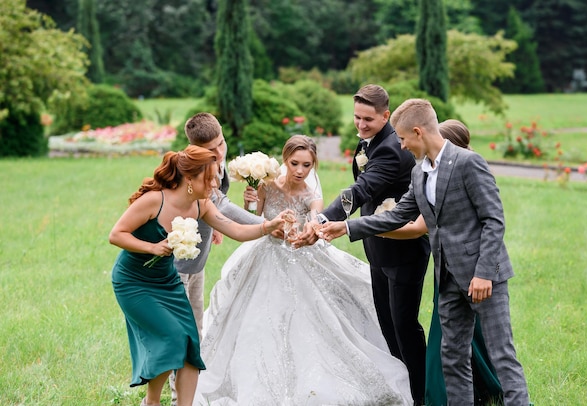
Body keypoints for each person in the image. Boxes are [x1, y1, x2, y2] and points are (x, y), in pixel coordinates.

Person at [319, 99, 530, 405]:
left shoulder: (468, 163)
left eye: (403, 139)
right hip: (447, 279)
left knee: (502, 355)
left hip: (484, 278)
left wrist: (484, 273)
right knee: (452, 358)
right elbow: (397, 215)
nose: (401, 146)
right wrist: (347, 227)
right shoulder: (420, 173)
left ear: (418, 132)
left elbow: (494, 221)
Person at [193, 135, 413, 405]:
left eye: (307, 165)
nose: (300, 171)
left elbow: (313, 225)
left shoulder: (311, 195)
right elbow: (255, 216)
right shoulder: (267, 186)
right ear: (285, 160)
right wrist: (252, 198)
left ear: (314, 165)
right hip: (266, 254)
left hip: (299, 253)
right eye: (295, 163)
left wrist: (299, 231)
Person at [109, 145, 286, 406]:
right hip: (134, 281)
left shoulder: (201, 204)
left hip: (166, 281)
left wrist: (267, 227)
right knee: (172, 337)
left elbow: (234, 229)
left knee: (191, 343)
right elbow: (116, 234)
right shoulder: (155, 200)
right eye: (210, 177)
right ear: (190, 179)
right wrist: (152, 247)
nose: (215, 183)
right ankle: (152, 402)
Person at [303, 84, 431, 404]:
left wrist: (322, 220)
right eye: (357, 118)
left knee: (404, 328)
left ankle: (423, 393)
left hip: (403, 251)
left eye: (368, 120)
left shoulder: (391, 148)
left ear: (386, 115)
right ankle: (403, 392)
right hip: (376, 247)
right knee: (387, 325)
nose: (361, 125)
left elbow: (361, 189)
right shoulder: (369, 142)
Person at [169, 112, 264, 405]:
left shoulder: (217, 161)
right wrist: (263, 223)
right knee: (180, 334)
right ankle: (177, 398)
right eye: (212, 150)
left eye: (221, 143)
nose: (220, 152)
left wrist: (248, 201)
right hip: (176, 265)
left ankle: (187, 394)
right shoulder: (192, 170)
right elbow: (217, 205)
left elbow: (218, 204)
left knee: (196, 329)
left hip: (197, 259)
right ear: (195, 150)